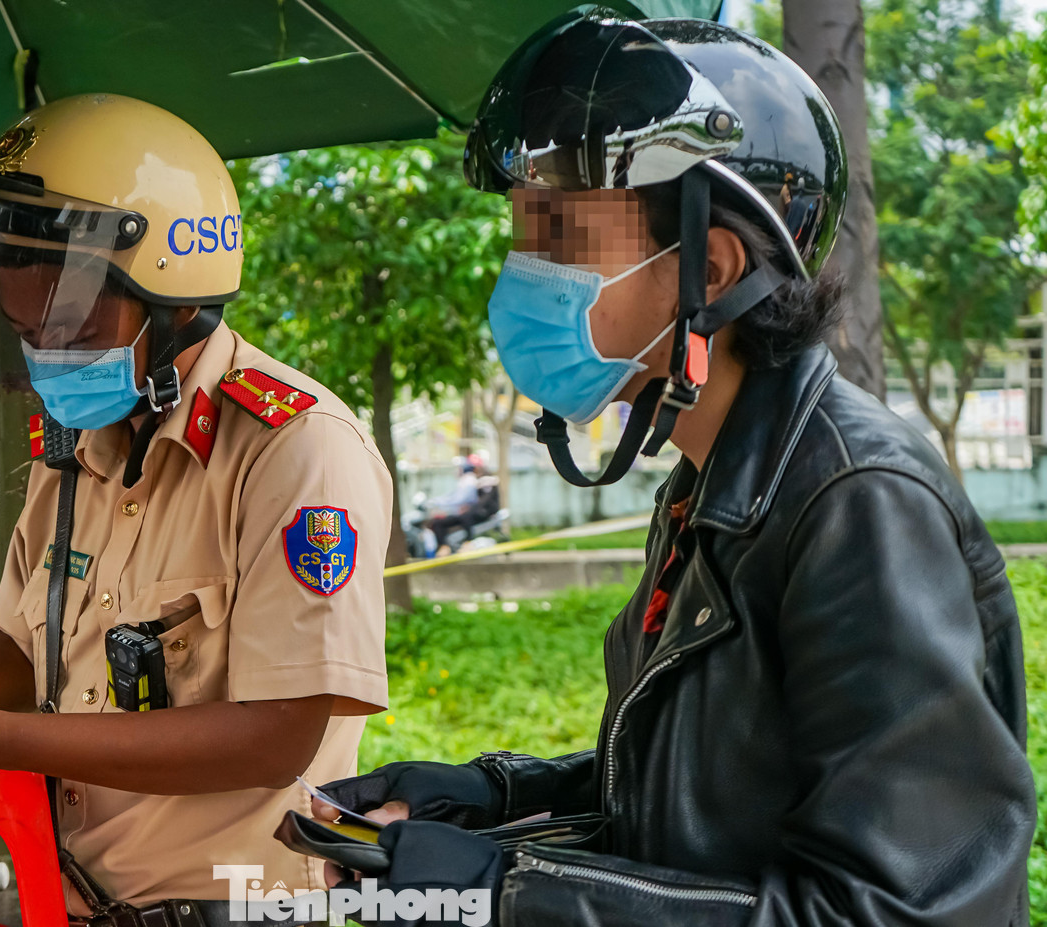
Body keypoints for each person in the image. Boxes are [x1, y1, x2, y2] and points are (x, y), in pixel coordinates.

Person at [314, 12, 1034, 926]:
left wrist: (507, 893)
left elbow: (895, 908)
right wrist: (490, 797)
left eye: (562, 239)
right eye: (522, 237)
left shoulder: (857, 502)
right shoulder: (712, 484)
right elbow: (706, 795)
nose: (523, 276)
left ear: (712, 267)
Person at [0, 94, 393, 927]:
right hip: (64, 901)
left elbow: (277, 738)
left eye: (72, 325)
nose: (46, 354)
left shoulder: (294, 451)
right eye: (25, 330)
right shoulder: (77, 447)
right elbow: (25, 649)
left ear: (177, 301)